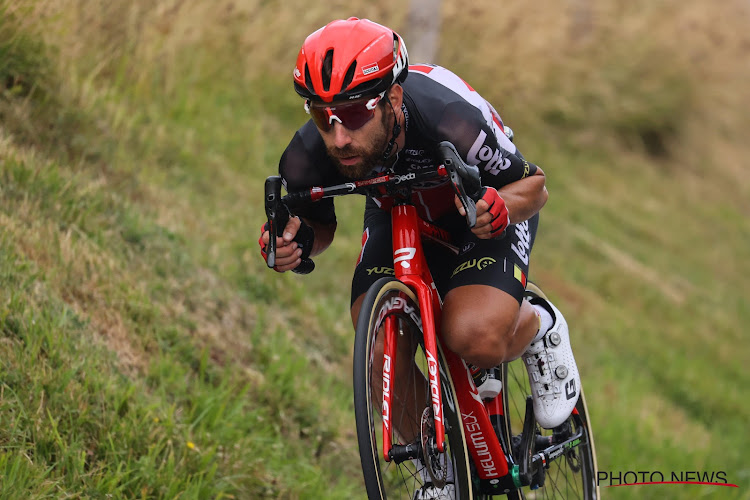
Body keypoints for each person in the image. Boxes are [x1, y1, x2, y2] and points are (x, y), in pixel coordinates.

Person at [259, 17, 581, 500]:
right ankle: (443, 469)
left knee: (471, 335)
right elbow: (317, 226)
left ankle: (541, 326)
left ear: (391, 98)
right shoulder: (307, 156)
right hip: (397, 211)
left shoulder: (450, 118)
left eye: (353, 114)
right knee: (376, 349)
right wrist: (295, 243)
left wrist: (497, 209)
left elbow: (534, 187)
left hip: (480, 207)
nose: (339, 137)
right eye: (322, 116)